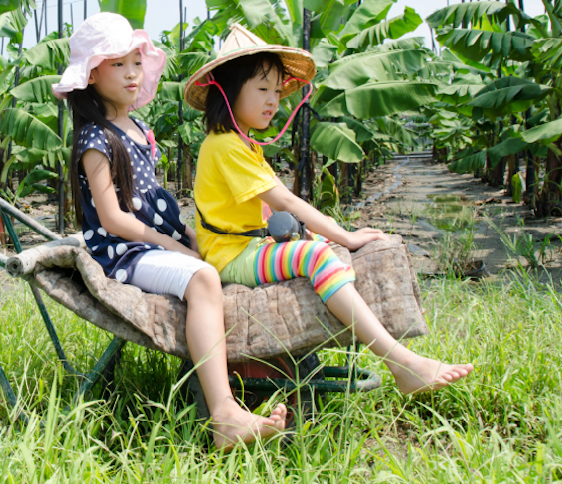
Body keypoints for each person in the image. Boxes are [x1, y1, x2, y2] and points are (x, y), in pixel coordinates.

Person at [184, 24, 473, 437]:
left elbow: (266, 209)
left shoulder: (241, 142)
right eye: (262, 89)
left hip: (248, 244)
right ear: (229, 93)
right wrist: (345, 236)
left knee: (318, 245)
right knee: (319, 253)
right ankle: (401, 364)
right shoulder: (226, 144)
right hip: (231, 254)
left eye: (278, 91)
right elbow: (285, 200)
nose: (274, 100)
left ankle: (395, 357)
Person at [52, 12, 288, 451]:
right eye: (117, 64)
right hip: (123, 252)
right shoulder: (94, 139)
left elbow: (155, 200)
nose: (130, 73)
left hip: (154, 243)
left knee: (219, 262)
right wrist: (174, 247)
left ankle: (249, 376)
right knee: (202, 277)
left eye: (135, 63)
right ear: (91, 75)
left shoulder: (139, 128)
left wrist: (191, 239)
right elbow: (114, 219)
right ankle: (225, 415)